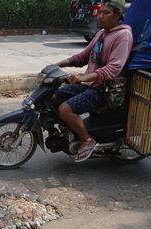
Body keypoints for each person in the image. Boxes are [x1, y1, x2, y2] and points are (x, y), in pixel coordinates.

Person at [52, 0, 133, 162]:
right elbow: (83, 57)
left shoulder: (123, 35)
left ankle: (88, 141)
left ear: (117, 15)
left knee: (65, 109)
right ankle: (72, 129)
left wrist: (83, 77)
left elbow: (113, 69)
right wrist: (58, 64)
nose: (100, 17)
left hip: (104, 89)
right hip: (89, 85)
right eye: (100, 12)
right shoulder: (101, 34)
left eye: (106, 13)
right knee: (54, 96)